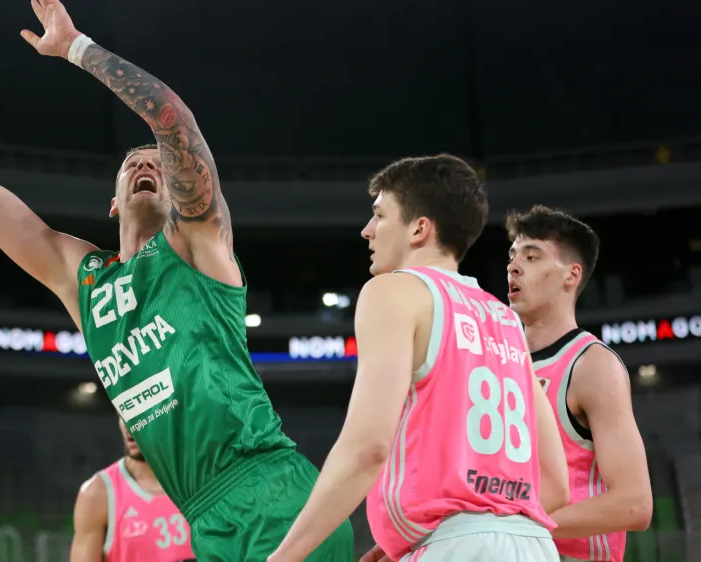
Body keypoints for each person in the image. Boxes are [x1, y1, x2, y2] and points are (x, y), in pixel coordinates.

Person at [0, 0, 354, 558]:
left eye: (159, 165)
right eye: (131, 164)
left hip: (270, 492)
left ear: (178, 194)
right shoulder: (83, 279)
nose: (147, 166)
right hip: (205, 518)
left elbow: (173, 119)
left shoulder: (199, 244)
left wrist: (77, 48)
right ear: (114, 204)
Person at [268, 155, 570, 562]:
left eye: (379, 215)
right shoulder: (504, 319)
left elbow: (367, 449)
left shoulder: (392, 292)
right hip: (533, 545)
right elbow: (554, 483)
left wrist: (282, 557)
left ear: (418, 229)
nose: (367, 230)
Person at [506, 205, 652, 561]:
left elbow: (634, 505)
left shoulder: (591, 365)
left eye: (532, 256)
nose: (513, 266)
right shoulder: (500, 363)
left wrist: (521, 522)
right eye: (512, 256)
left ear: (571, 275)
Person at [71, 421, 196, 562]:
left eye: (137, 412)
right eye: (121, 412)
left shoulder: (205, 479)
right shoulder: (97, 493)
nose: (128, 424)